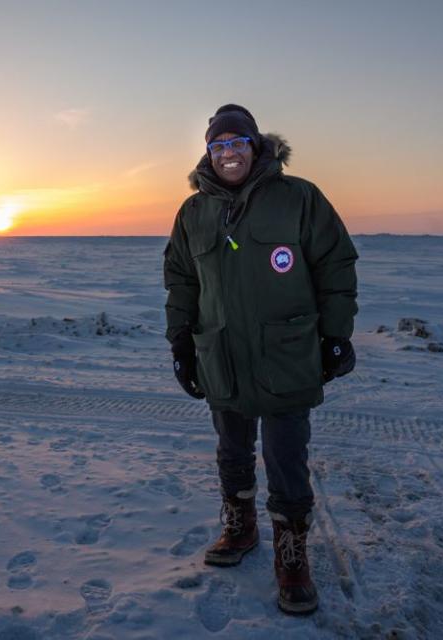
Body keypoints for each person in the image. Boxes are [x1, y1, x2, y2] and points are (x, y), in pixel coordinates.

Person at [163, 104, 358, 615]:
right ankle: (240, 525)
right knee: (232, 450)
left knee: (286, 457)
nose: (228, 153)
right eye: (218, 145)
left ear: (256, 146)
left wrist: (336, 335)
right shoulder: (194, 212)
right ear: (208, 153)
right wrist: (181, 341)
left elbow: (336, 265)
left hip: (286, 355)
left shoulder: (298, 198)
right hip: (221, 353)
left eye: (237, 143)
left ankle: (291, 551)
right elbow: (181, 280)